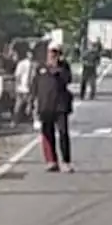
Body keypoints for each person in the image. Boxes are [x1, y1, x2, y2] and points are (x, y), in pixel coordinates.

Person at [34, 44, 74, 172]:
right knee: (47, 133)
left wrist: (57, 68)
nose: (52, 55)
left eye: (56, 52)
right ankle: (51, 161)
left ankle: (66, 161)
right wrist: (33, 103)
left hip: (60, 106)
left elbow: (67, 80)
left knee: (63, 133)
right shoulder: (40, 68)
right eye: (51, 52)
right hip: (45, 106)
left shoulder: (63, 67)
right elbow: (34, 86)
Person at [14, 49, 35, 124]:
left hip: (31, 87)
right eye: (30, 54)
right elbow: (18, 75)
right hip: (22, 87)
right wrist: (17, 86)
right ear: (27, 54)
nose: (31, 56)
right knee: (19, 104)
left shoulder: (35, 64)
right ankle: (15, 119)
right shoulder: (22, 63)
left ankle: (29, 119)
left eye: (32, 54)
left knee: (30, 103)